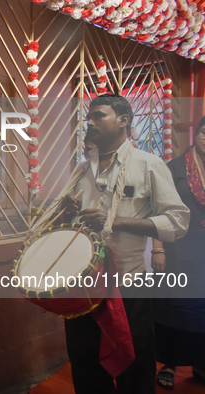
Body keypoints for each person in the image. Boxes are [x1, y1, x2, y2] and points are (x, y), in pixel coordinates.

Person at [61, 94, 189, 393]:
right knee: (85, 362)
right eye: (88, 117)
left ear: (123, 121)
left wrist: (117, 221)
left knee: (135, 365)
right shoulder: (82, 168)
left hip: (128, 282)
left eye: (99, 116)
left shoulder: (149, 165)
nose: (90, 122)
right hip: (83, 283)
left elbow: (178, 221)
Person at [152, 116, 205, 390]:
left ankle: (200, 362)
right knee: (174, 307)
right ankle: (169, 362)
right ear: (197, 134)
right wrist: (158, 249)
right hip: (178, 249)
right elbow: (158, 209)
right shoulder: (174, 168)